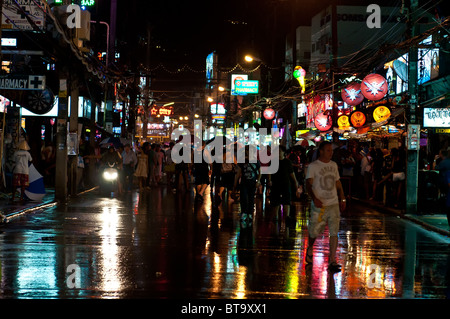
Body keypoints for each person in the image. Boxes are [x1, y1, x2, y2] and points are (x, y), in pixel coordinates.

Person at [305, 141, 346, 272]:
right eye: (328, 150)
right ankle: (310, 248)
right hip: (320, 205)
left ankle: (333, 260)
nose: (331, 153)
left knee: (334, 232)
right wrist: (314, 198)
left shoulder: (334, 165)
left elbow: (337, 182)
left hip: (333, 203)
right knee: (314, 231)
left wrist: (342, 197)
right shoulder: (313, 166)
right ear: (321, 151)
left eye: (331, 150)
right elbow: (308, 184)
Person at [268, 145, 299, 223]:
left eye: (280, 151)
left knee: (286, 201)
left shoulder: (287, 162)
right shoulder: (273, 161)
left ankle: (287, 217)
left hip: (285, 184)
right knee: (275, 202)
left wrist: (296, 184)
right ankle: (275, 217)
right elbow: (269, 173)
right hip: (275, 184)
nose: (278, 152)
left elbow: (292, 174)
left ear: (283, 152)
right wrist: (269, 180)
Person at [234, 146, 261, 227]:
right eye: (248, 151)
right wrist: (235, 185)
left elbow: (260, 172)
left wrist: (258, 181)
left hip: (252, 183)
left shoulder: (256, 162)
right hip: (244, 183)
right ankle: (244, 213)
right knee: (244, 198)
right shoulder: (242, 161)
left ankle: (249, 213)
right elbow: (238, 173)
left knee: (251, 198)